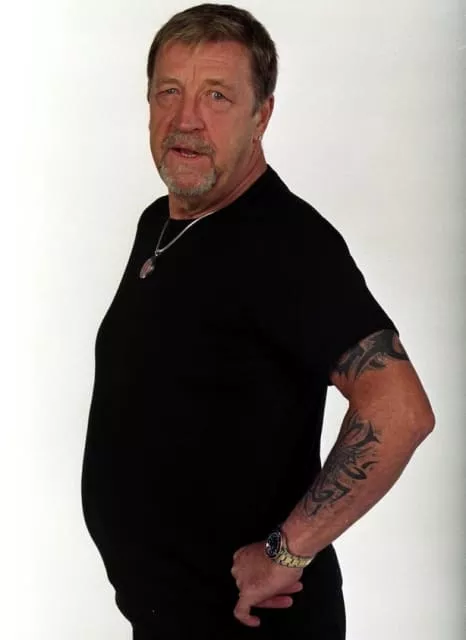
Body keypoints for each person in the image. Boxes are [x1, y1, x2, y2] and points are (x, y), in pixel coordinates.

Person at [80, 4, 435, 639]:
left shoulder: (288, 243)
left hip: (253, 627)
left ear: (261, 115)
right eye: (169, 92)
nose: (186, 119)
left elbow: (400, 411)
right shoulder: (161, 222)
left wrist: (286, 551)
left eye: (217, 96)